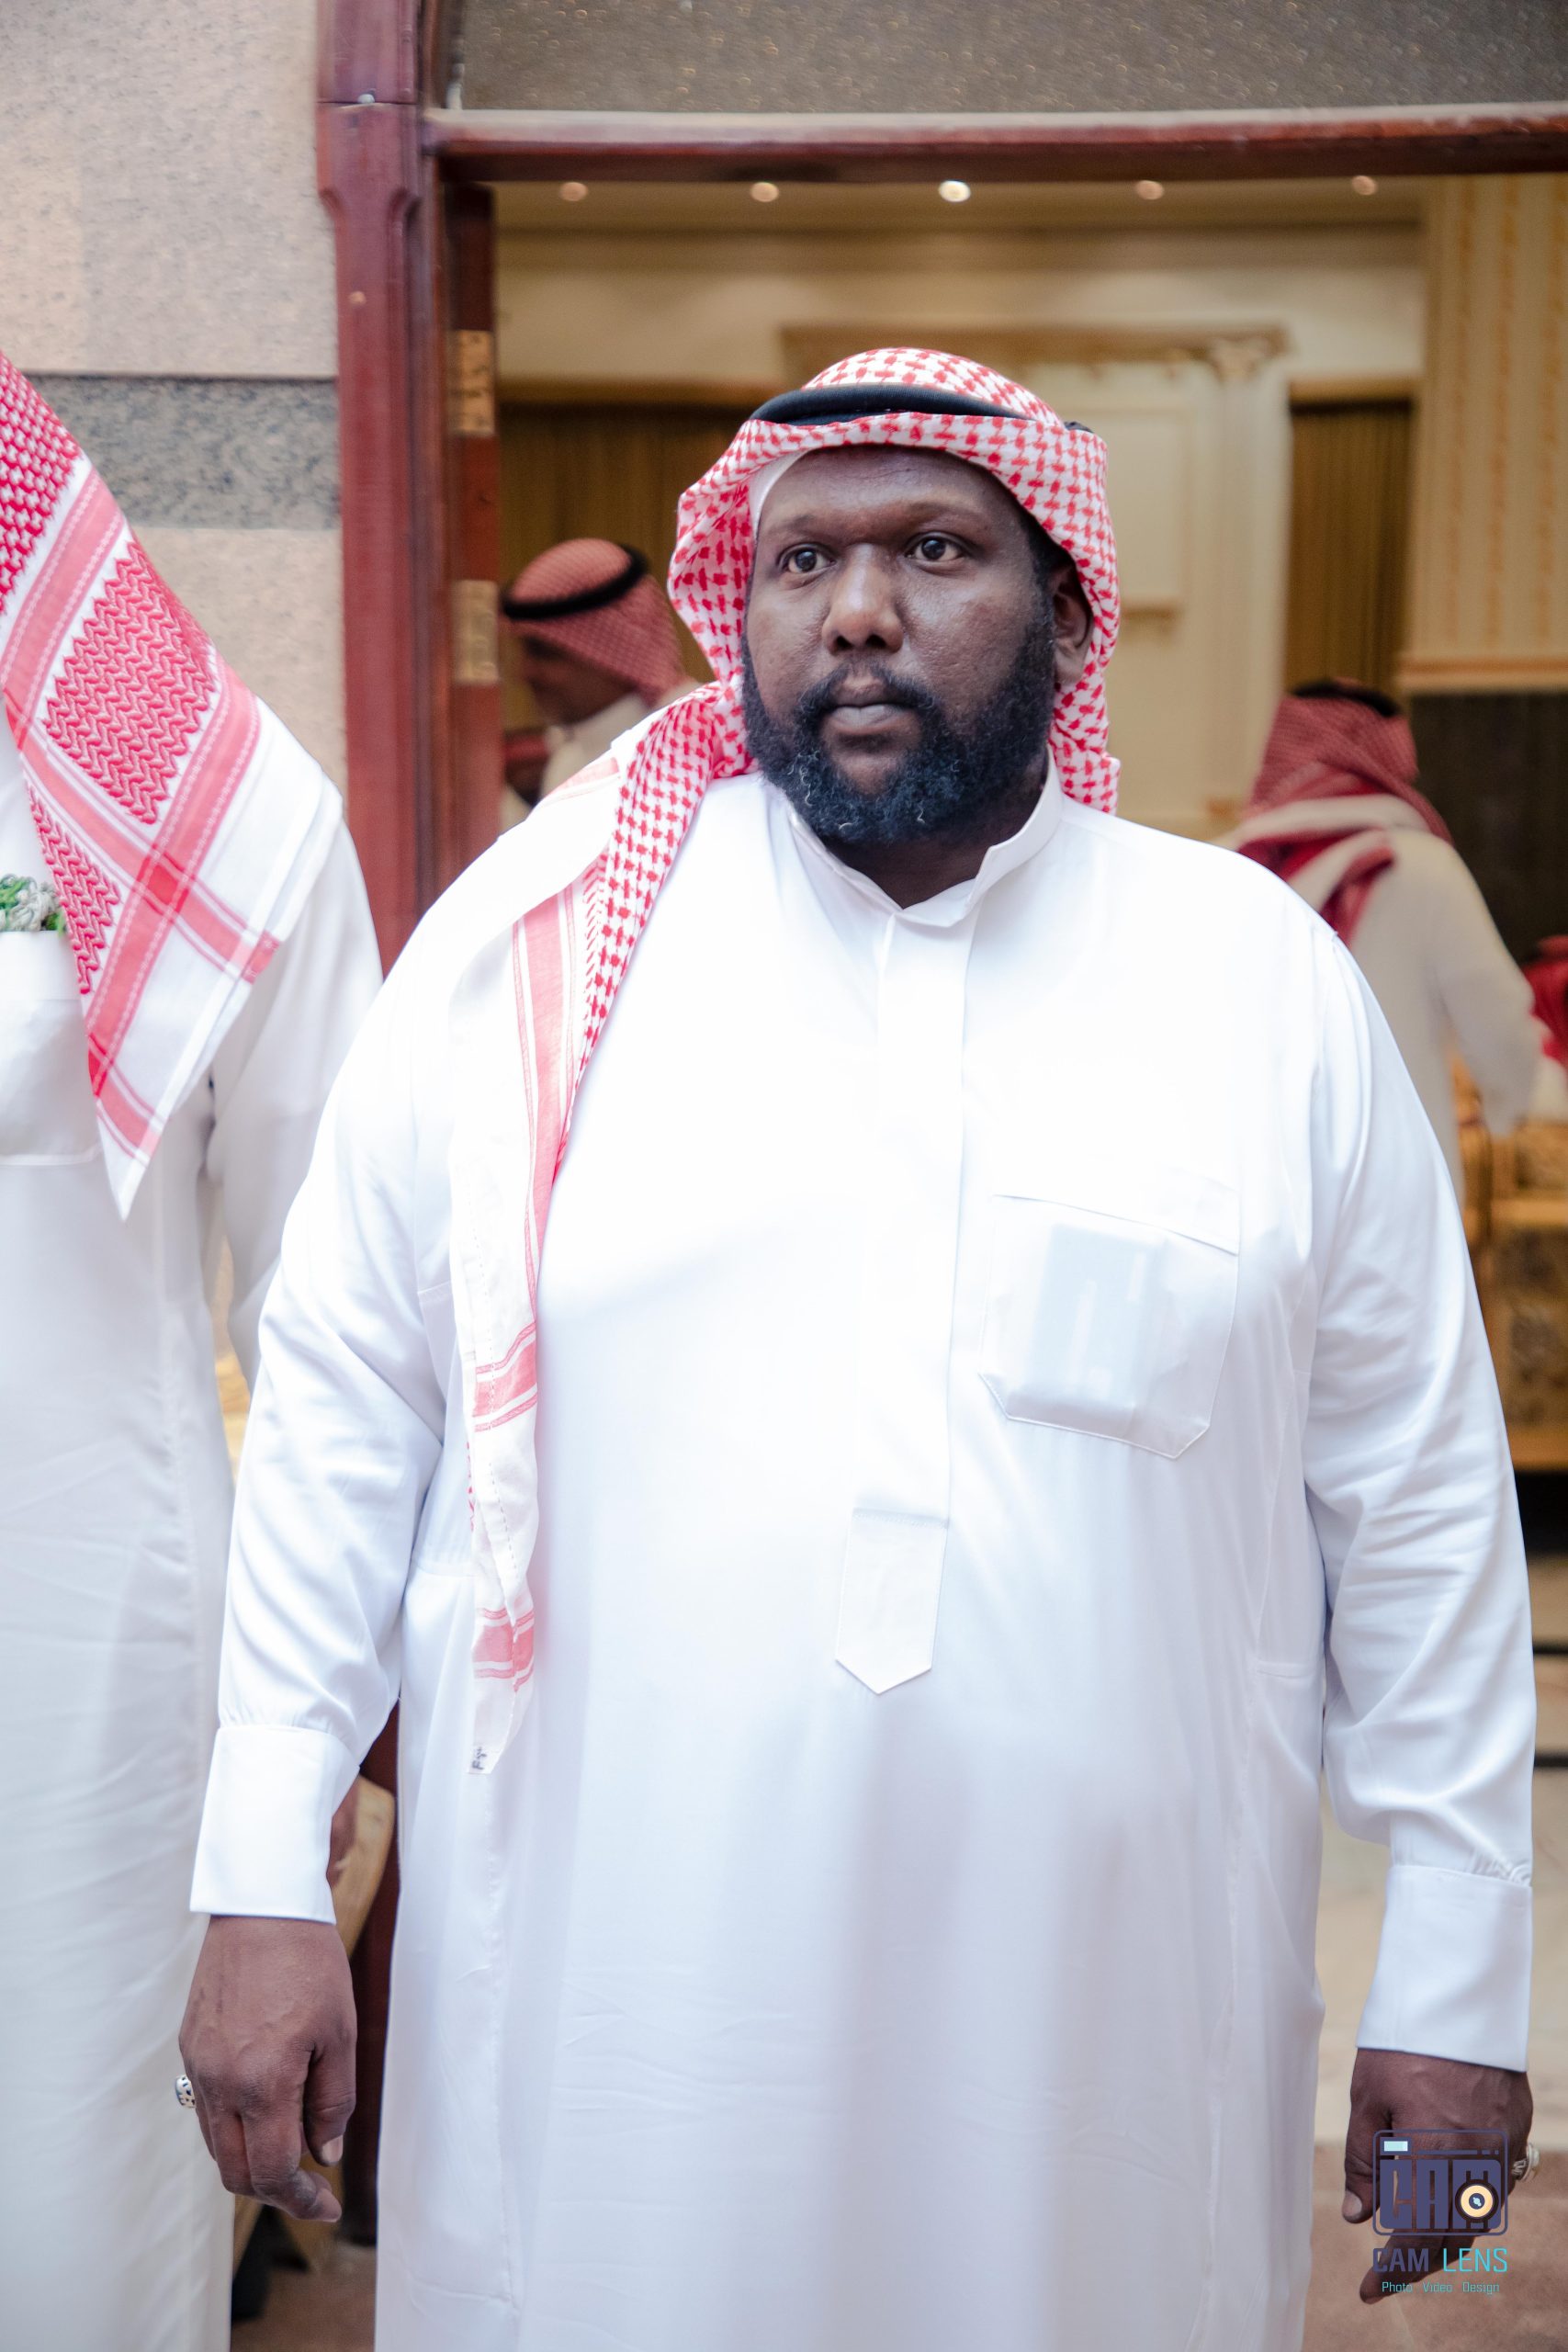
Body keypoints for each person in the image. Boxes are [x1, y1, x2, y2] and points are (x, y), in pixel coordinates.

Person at [182, 352, 1535, 2352]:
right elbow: (336, 1417)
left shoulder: (1253, 985)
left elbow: (1417, 1505)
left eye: (935, 551)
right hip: (614, 2028)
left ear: (1064, 605)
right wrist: (260, 1870)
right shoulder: (526, 953)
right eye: (801, 560)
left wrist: (1460, 1990)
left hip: (1112, 2048)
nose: (859, 611)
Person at [0, 353, 381, 2352]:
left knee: (60, 2217)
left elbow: (340, 1325)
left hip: (75, 1674)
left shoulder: (223, 817)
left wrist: (295, 1755)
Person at [1230, 678, 1563, 1194]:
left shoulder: (1222, 865)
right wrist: (1507, 1105)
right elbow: (1496, 1023)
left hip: (1245, 1177)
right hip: (1395, 1186)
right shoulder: (1425, 868)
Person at [499, 537, 693, 822]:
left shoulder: (694, 737)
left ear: (619, 647)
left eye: (545, 653)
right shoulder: (568, 761)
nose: (524, 673)